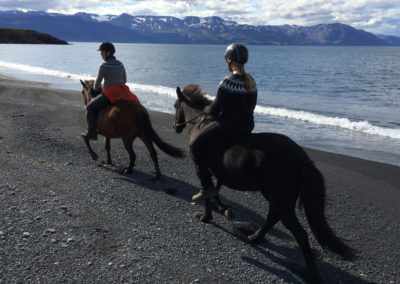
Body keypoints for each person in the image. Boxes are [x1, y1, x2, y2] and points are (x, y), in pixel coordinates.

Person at [190, 43, 257, 201]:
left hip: (228, 126)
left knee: (195, 146)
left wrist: (207, 110)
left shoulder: (227, 81)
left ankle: (207, 186)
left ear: (229, 60)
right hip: (247, 126)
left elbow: (214, 110)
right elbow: (250, 106)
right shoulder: (251, 81)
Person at [81, 42, 140, 140]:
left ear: (108, 53)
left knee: (90, 107)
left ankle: (92, 132)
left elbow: (96, 86)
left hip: (109, 94)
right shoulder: (120, 64)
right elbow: (124, 80)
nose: (101, 54)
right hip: (122, 92)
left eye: (102, 52)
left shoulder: (103, 66)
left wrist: (102, 86)